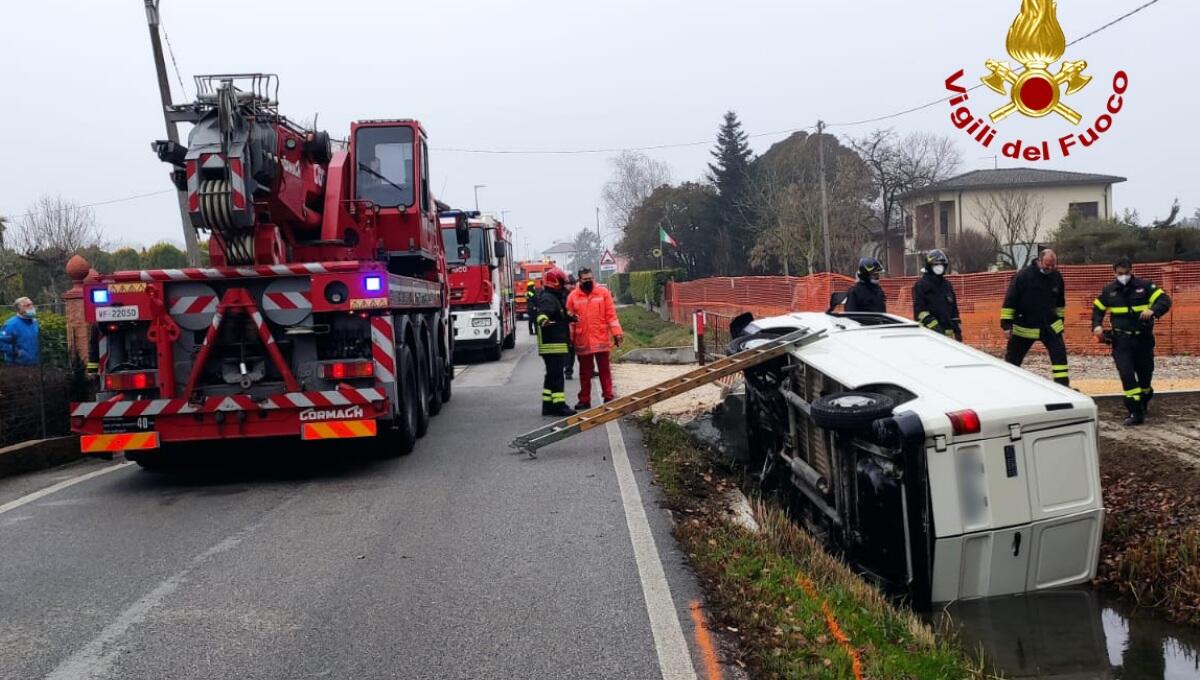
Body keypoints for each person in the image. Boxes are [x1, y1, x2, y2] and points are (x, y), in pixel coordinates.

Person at [1092, 257, 1172, 426]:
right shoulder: (1109, 290)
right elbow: (1097, 310)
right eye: (1120, 273)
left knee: (1145, 378)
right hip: (1121, 341)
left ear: (1132, 271)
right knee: (1127, 375)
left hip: (1143, 340)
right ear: (1114, 273)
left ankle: (1144, 398)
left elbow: (1165, 300)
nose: (1124, 276)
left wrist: (1153, 310)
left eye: (1127, 273)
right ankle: (1135, 411)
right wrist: (1097, 326)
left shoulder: (1145, 286)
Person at [1000, 249, 1070, 386]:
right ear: (1039, 260)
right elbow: (1010, 301)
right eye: (1047, 265)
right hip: (1025, 326)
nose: (1050, 268)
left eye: (1053, 265)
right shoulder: (1023, 276)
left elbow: (1060, 303)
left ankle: (1063, 387)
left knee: (1060, 358)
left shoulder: (1056, 277)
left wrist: (1060, 321)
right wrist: (1006, 325)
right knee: (1012, 361)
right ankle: (1007, 387)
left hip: (1050, 327)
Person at [566, 268, 623, 410]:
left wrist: (617, 333)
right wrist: (570, 339)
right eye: (585, 279)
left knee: (604, 369)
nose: (588, 281)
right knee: (585, 372)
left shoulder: (603, 293)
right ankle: (584, 400)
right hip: (583, 339)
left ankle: (608, 396)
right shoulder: (573, 296)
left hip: (600, 338)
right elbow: (570, 321)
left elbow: (611, 315)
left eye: (590, 278)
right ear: (580, 280)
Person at [533, 268, 574, 417]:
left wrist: (570, 318)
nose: (564, 286)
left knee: (551, 375)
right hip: (553, 345)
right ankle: (559, 405)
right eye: (562, 283)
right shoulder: (549, 299)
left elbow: (558, 316)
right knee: (556, 376)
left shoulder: (553, 297)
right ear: (555, 282)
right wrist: (543, 320)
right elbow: (542, 314)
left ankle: (548, 405)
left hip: (553, 344)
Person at [912, 249, 962, 341]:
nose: (939, 267)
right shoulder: (921, 285)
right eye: (936, 264)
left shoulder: (947, 285)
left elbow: (954, 310)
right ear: (929, 266)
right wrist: (935, 327)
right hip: (929, 336)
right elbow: (920, 312)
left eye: (941, 265)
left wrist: (958, 331)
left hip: (948, 338)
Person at [0, 297, 40, 366]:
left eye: (32, 304)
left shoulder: (34, 322)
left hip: (35, 364)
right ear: (19, 309)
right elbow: (1, 342)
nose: (31, 307)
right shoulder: (11, 324)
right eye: (27, 305)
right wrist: (16, 352)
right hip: (17, 365)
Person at [564, 275, 578, 380]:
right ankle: (568, 371)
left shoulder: (577, 294)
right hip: (568, 326)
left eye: (573, 284)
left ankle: (590, 370)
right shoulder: (563, 295)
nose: (572, 286)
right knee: (570, 350)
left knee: (584, 350)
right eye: (570, 284)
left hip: (578, 324)